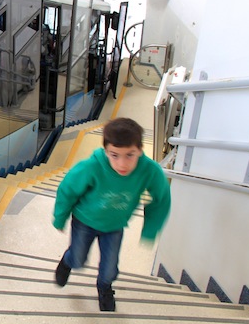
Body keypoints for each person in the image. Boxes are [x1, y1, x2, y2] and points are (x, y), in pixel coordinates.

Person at [52, 117, 171, 312]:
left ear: (140, 149)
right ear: (105, 151)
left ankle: (105, 288)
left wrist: (150, 228)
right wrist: (60, 216)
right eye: (114, 155)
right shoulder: (92, 166)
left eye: (130, 155)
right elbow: (68, 189)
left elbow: (161, 198)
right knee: (78, 259)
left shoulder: (149, 171)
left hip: (115, 225)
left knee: (110, 268)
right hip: (85, 221)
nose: (122, 163)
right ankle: (67, 261)